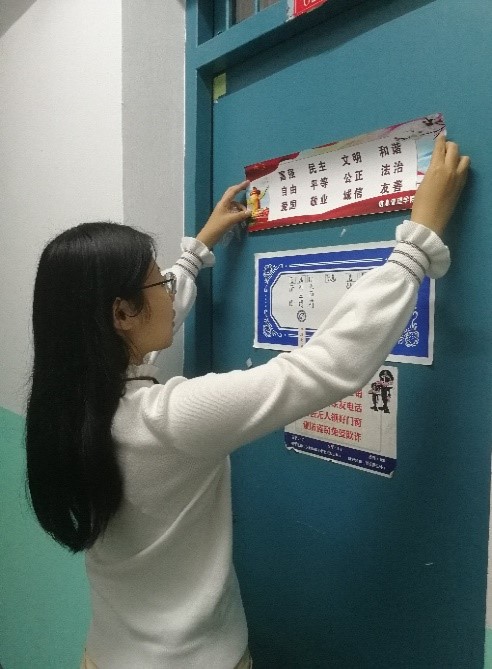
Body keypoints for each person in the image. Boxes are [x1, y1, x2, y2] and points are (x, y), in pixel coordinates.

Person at [25, 135, 469, 669]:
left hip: (106, 654)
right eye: (158, 282)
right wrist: (416, 245)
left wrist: (195, 253)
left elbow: (149, 328)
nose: (168, 290)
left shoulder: (72, 410)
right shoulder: (169, 419)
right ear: (121, 313)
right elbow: (325, 365)